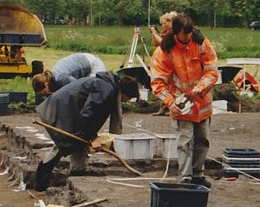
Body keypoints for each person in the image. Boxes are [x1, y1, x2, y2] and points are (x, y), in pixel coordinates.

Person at [34, 72, 140, 190]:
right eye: (128, 98)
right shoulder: (105, 89)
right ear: (124, 92)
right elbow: (88, 114)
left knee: (72, 142)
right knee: (70, 143)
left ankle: (59, 178)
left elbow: (90, 116)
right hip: (64, 111)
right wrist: (93, 138)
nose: (125, 101)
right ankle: (65, 183)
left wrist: (90, 135)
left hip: (68, 111)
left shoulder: (107, 86)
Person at [150, 13, 219, 188]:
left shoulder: (202, 44)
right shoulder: (164, 51)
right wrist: (170, 102)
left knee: (202, 140)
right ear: (175, 33)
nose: (187, 38)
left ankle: (197, 174)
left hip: (202, 103)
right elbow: (158, 82)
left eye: (189, 34)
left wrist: (200, 87)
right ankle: (185, 177)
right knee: (185, 141)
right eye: (184, 35)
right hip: (181, 105)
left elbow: (212, 71)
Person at [32, 53, 107, 95]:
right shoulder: (53, 78)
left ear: (46, 85)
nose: (46, 94)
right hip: (84, 64)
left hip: (93, 65)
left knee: (94, 93)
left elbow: (77, 87)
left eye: (45, 92)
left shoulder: (61, 78)